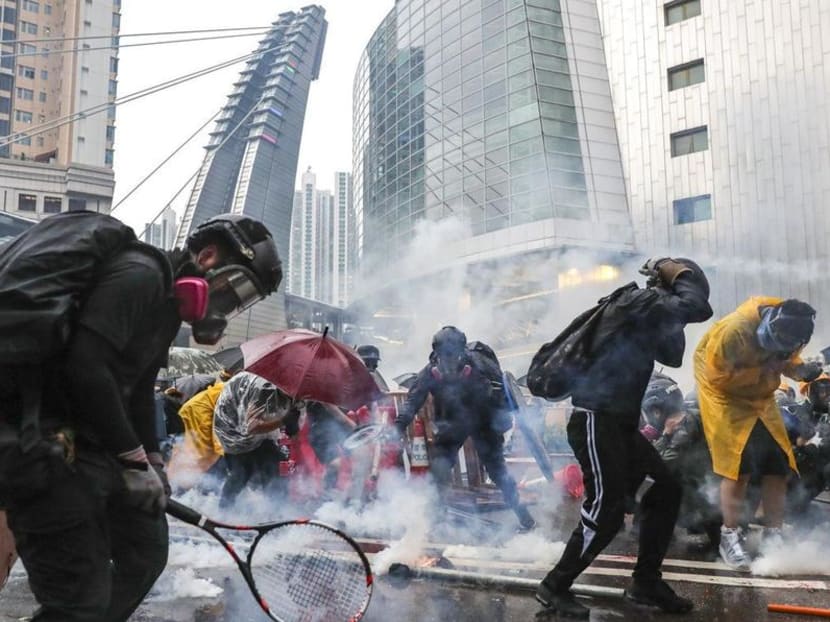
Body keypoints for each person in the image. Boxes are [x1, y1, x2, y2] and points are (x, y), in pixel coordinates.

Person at [0, 212, 282, 621]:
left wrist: (151, 461)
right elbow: (87, 367)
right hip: (46, 440)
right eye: (235, 287)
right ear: (206, 256)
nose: (232, 304)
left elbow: (136, 389)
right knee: (80, 601)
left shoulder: (167, 309)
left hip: (94, 449)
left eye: (244, 298)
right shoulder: (141, 274)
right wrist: (132, 459)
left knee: (145, 553)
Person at [535, 257, 712, 619]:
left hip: (620, 424)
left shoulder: (647, 312)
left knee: (667, 489)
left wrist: (670, 318)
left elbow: (672, 355)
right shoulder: (637, 302)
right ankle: (554, 586)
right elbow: (697, 307)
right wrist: (678, 271)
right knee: (607, 510)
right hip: (595, 420)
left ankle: (646, 582)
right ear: (670, 287)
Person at [694, 297, 822, 571]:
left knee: (777, 462)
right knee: (738, 465)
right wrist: (764, 371)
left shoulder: (793, 332)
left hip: (761, 395)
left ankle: (772, 536)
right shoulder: (735, 330)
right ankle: (729, 536)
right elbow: (717, 376)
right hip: (724, 394)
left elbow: (785, 359)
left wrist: (800, 371)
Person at [394, 326, 536, 532]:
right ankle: (435, 520)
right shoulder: (429, 373)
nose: (449, 362)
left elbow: (506, 397)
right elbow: (412, 402)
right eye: (445, 357)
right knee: (439, 470)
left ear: (462, 353)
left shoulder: (481, 366)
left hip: (483, 422)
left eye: (454, 356)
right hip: (451, 423)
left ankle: (525, 519)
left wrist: (500, 416)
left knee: (498, 473)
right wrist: (397, 427)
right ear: (437, 354)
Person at [639, 374, 721, 550]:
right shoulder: (684, 418)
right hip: (701, 483)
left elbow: (662, 461)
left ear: (658, 409)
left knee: (656, 494)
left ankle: (715, 539)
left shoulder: (685, 423)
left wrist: (666, 435)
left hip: (701, 487)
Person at [213, 371, 303, 508]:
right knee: (242, 471)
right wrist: (283, 421)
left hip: (260, 435)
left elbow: (293, 433)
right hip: (233, 429)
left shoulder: (295, 395)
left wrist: (292, 425)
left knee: (275, 466)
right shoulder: (264, 390)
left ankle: (278, 511)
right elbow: (252, 427)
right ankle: (224, 512)